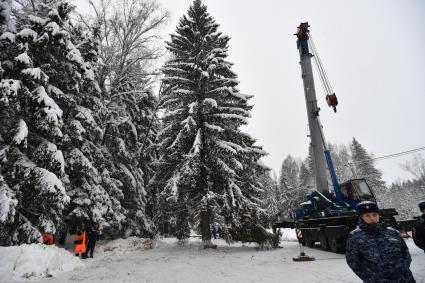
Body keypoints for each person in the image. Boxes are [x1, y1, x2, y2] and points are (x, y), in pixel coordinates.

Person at [346, 201, 415, 283]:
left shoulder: (393, 232)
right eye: (367, 216)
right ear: (361, 217)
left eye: (374, 215)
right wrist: (369, 277)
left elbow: (406, 254)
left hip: (403, 279)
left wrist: (403, 270)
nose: (372, 218)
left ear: (378, 215)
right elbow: (353, 261)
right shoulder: (355, 236)